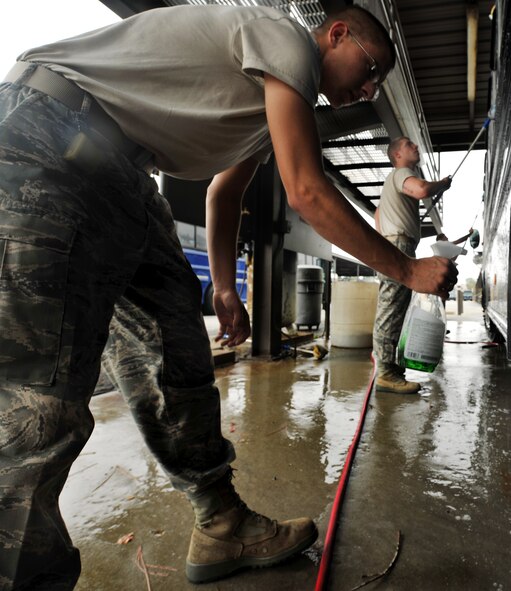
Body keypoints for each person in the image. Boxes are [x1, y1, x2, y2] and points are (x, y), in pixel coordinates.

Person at [0, 4, 457, 589]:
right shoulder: (288, 40)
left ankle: (220, 525)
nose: (368, 88)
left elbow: (224, 194)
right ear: (336, 33)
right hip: (51, 139)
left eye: (377, 83)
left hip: (121, 173)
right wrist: (406, 270)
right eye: (370, 68)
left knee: (178, 351)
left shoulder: (268, 111)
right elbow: (306, 192)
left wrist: (221, 285)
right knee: (34, 403)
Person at [373, 137, 453, 394]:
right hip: (398, 244)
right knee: (391, 307)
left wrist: (385, 241)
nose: (416, 146)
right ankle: (385, 373)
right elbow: (420, 190)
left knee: (394, 306)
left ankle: (391, 369)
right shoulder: (401, 173)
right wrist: (443, 184)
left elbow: (378, 216)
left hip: (394, 243)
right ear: (397, 155)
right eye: (409, 144)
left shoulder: (391, 182)